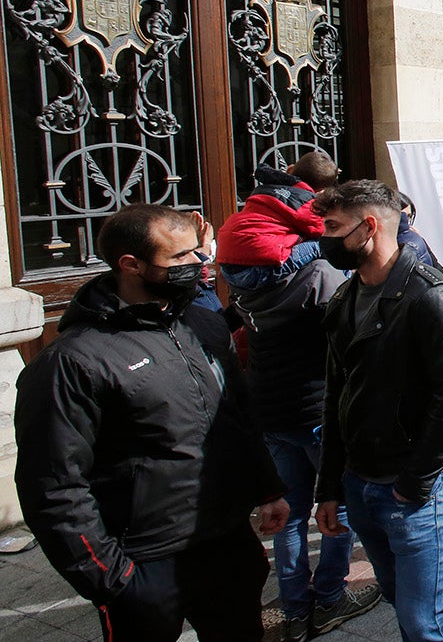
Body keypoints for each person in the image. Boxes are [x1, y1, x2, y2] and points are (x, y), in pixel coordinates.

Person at [15, 204, 290, 641]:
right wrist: (111, 578)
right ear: (131, 264)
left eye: (198, 254)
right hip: (143, 559)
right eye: (180, 258)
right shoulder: (73, 361)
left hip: (224, 541)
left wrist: (266, 488)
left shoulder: (202, 323)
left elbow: (235, 416)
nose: (199, 266)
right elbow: (53, 483)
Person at [312, 180, 443, 642]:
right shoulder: (344, 301)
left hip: (413, 491)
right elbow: (336, 394)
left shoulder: (432, 296)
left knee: (422, 621)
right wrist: (329, 486)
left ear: (369, 228)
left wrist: (415, 483)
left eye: (332, 228)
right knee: (396, 596)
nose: (323, 238)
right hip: (360, 482)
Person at [231, 231, 380, 640]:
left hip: (271, 412)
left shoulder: (246, 283)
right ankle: (329, 595)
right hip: (315, 412)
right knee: (340, 503)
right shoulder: (319, 275)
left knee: (288, 512)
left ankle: (295, 608)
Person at [217, 151, 339, 291]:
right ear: (321, 190)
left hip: (227, 268)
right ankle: (345, 285)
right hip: (255, 272)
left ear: (290, 169)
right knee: (327, 243)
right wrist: (320, 202)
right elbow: (323, 229)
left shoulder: (264, 189)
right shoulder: (305, 203)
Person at [395, 190, 443, 272]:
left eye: (409, 216)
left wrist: (420, 242)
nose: (406, 222)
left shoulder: (414, 239)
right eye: (403, 217)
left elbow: (439, 270)